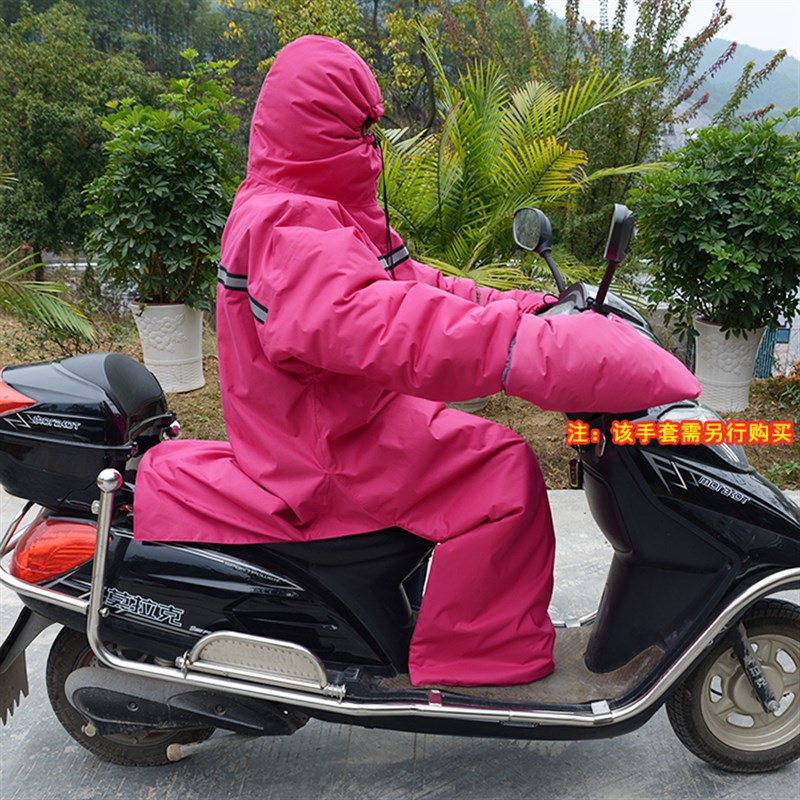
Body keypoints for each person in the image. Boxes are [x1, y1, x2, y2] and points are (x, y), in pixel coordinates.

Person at [134, 35, 700, 687]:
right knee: (501, 478)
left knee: (494, 456)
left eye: (372, 129)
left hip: (337, 422)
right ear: (321, 128)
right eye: (361, 129)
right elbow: (389, 326)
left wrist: (528, 307)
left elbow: (416, 285)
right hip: (324, 451)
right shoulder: (290, 227)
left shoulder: (316, 208)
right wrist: (530, 348)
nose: (373, 146)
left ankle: (464, 630)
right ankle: (479, 658)